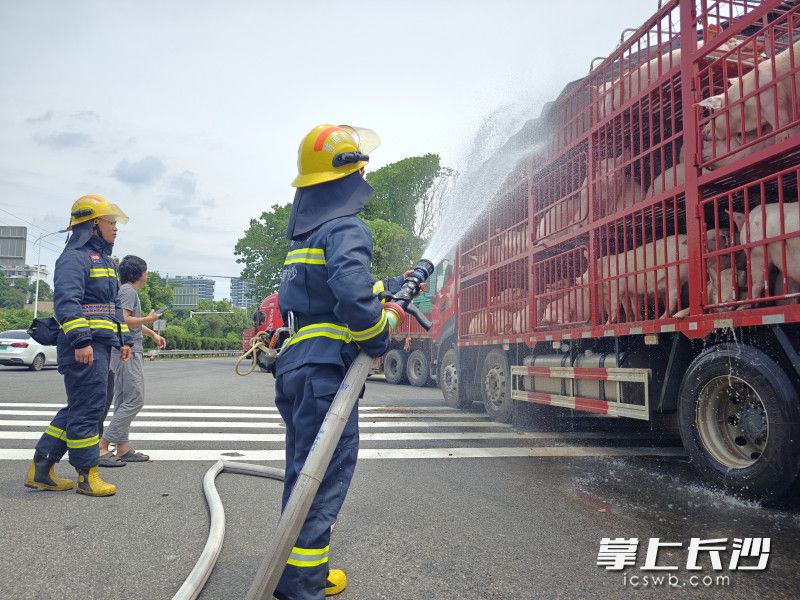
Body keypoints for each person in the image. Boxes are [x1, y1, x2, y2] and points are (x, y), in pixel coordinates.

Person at [272, 124, 407, 600]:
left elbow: (330, 292)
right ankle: (301, 585)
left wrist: (381, 289)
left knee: (303, 473)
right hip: (326, 372)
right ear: (349, 174)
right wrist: (380, 332)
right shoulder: (348, 227)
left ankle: (291, 572)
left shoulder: (306, 238)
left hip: (297, 367)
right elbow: (351, 296)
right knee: (323, 477)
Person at [24, 195, 132, 497]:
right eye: (111, 222)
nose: (115, 228)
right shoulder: (75, 257)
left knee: (80, 408)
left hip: (101, 345)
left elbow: (112, 306)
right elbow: (67, 303)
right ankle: (88, 475)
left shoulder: (106, 262)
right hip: (82, 347)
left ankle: (41, 469)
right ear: (93, 224)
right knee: (88, 410)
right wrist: (81, 339)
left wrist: (122, 340)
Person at [98, 255, 166, 467]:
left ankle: (123, 448)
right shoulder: (128, 291)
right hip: (127, 351)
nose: (147, 275)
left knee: (123, 399)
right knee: (135, 399)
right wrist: (151, 319)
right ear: (139, 274)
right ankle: (102, 446)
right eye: (145, 271)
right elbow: (124, 321)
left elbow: (129, 321)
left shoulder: (125, 289)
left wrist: (152, 334)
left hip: (121, 350)